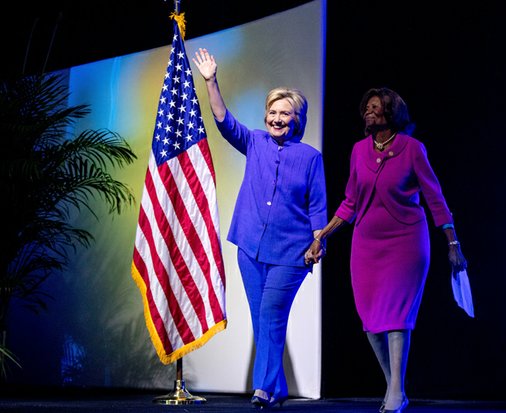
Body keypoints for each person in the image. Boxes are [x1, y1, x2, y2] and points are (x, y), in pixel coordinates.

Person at [305, 87, 467, 413]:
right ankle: (393, 382)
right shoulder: (357, 151)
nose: (368, 112)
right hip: (366, 245)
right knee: (370, 321)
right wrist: (321, 236)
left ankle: (396, 391)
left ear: (391, 113)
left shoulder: (413, 149)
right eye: (366, 107)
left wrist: (452, 243)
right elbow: (349, 202)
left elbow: (435, 198)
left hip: (406, 242)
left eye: (375, 107)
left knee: (397, 317)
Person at [192, 48, 328, 409]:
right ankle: (278, 386)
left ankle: (263, 389)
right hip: (250, 247)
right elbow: (223, 120)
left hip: (291, 253)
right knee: (264, 320)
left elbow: (317, 208)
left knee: (270, 316)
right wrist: (211, 80)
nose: (277, 118)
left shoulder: (310, 158)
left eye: (285, 113)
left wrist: (318, 243)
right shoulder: (254, 141)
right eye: (273, 111)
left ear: (297, 120)